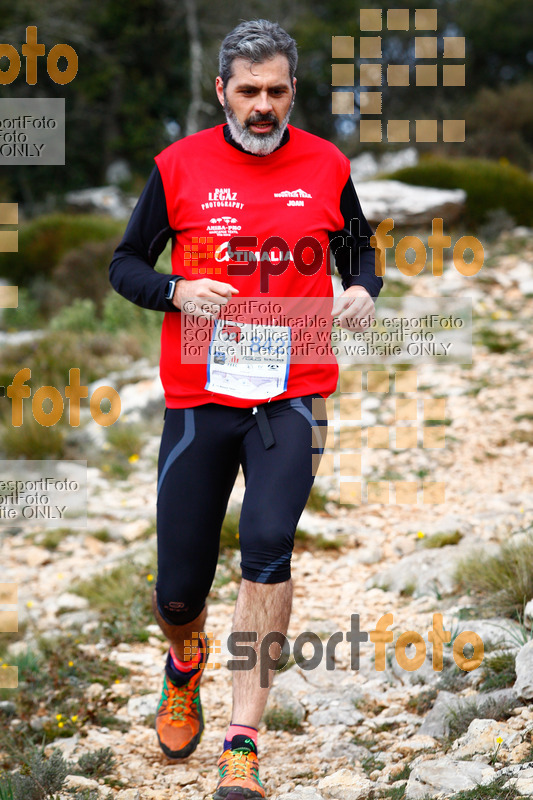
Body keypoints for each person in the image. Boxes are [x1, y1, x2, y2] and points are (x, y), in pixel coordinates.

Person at [109, 18, 383, 799]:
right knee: (177, 593)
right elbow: (124, 264)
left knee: (268, 549)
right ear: (221, 91)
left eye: (276, 91)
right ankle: (185, 661)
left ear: (293, 90)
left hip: (292, 392)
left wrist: (362, 287)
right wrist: (174, 289)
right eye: (248, 92)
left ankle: (242, 740)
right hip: (199, 397)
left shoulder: (327, 164)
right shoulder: (178, 165)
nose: (262, 107)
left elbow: (360, 246)